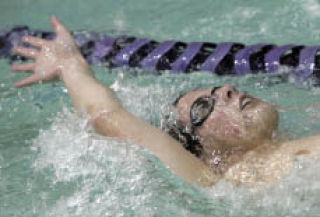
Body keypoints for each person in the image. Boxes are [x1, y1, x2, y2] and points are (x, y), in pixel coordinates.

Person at [11, 16, 320, 187]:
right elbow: (108, 117)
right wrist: (71, 67)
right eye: (204, 108)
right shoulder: (224, 183)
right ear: (206, 155)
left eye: (217, 89)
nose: (226, 89)